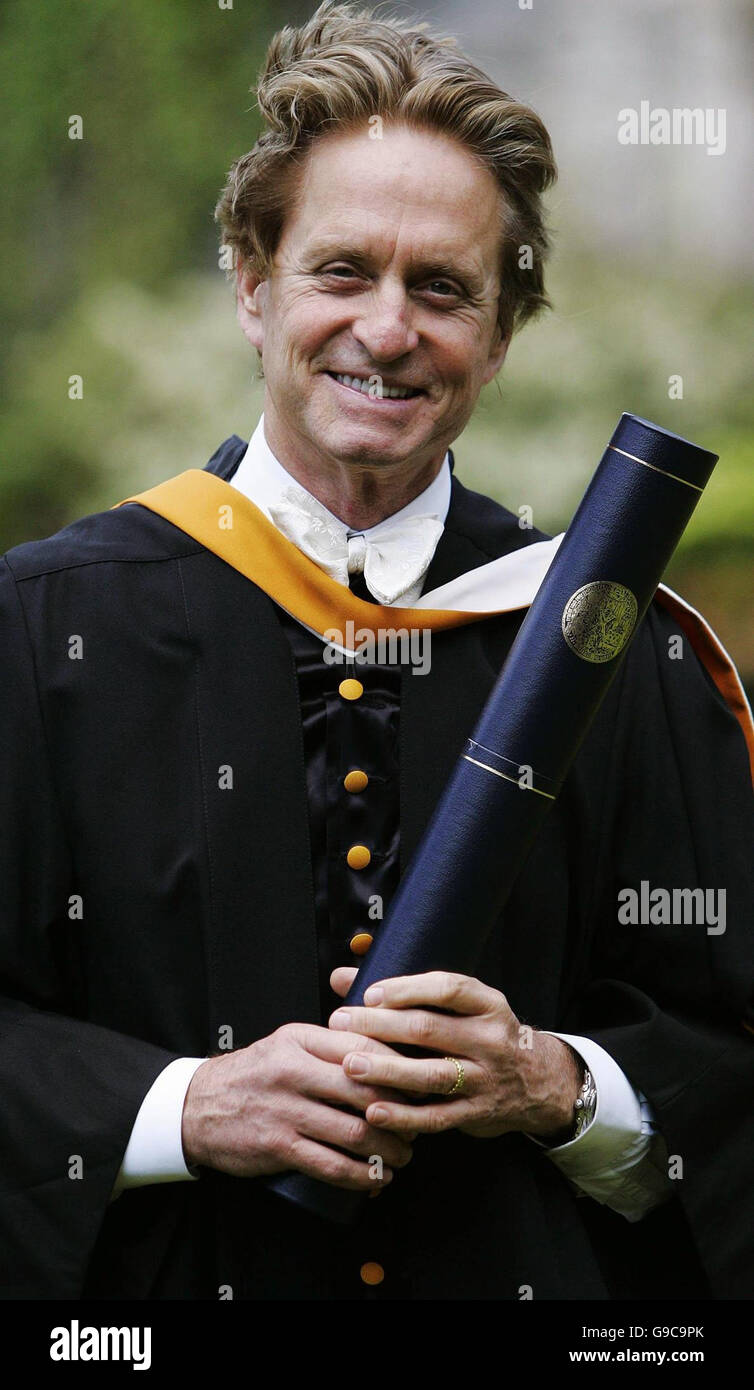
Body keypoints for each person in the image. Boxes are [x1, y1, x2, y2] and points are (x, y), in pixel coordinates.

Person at [1, 1, 752, 1301]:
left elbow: (728, 1044)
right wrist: (180, 1104)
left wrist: (559, 1085)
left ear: (503, 335)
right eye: (342, 270)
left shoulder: (611, 650)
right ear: (252, 285)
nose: (389, 329)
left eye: (445, 288)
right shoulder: (42, 633)